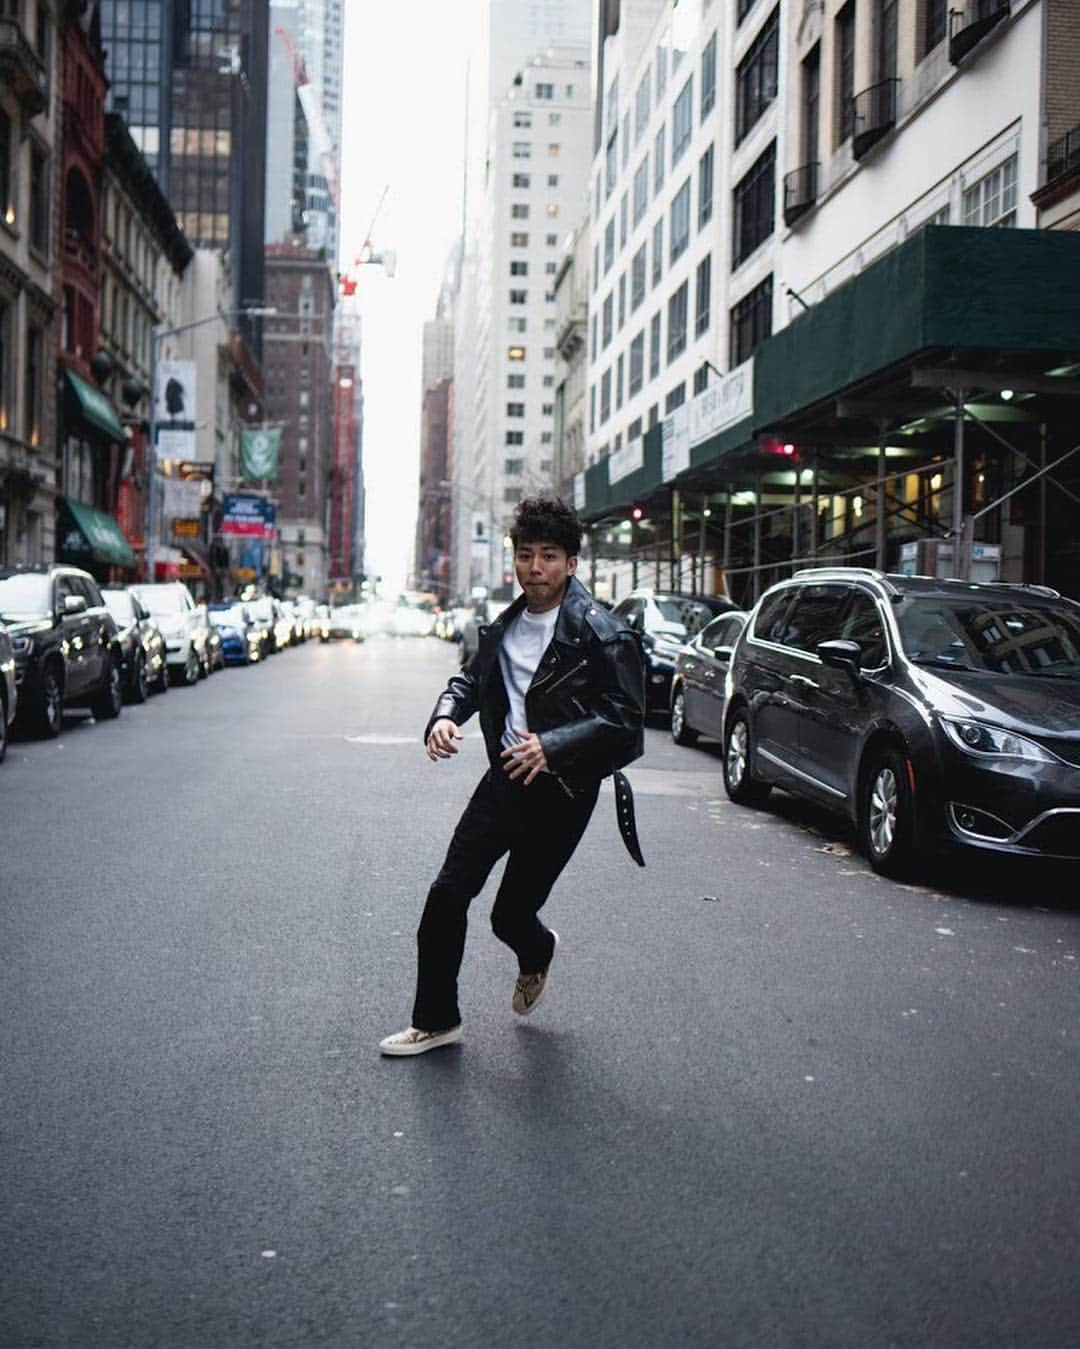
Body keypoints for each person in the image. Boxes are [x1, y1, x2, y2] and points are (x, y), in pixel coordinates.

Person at [380, 496, 645, 1056]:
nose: (535, 568)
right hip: (505, 782)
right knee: (447, 895)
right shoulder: (503, 629)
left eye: (549, 556)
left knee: (509, 915)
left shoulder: (602, 634)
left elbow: (626, 722)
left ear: (572, 563)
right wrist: (445, 717)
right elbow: (469, 683)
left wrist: (552, 746)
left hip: (564, 793)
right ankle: (436, 1019)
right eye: (526, 555)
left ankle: (537, 948)